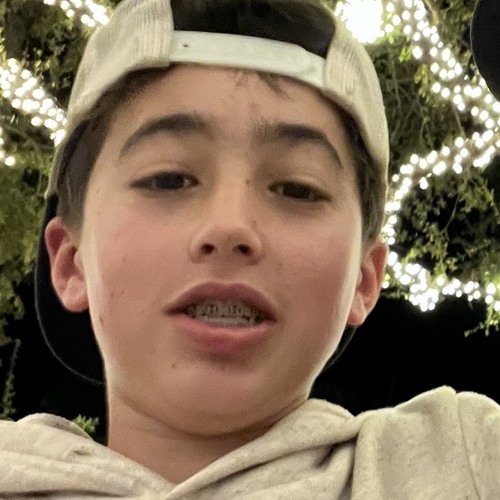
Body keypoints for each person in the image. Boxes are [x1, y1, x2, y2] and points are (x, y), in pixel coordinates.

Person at [0, 0, 499, 497]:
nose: (230, 226)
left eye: (298, 189)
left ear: (364, 280)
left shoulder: (463, 464)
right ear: (70, 262)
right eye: (168, 179)